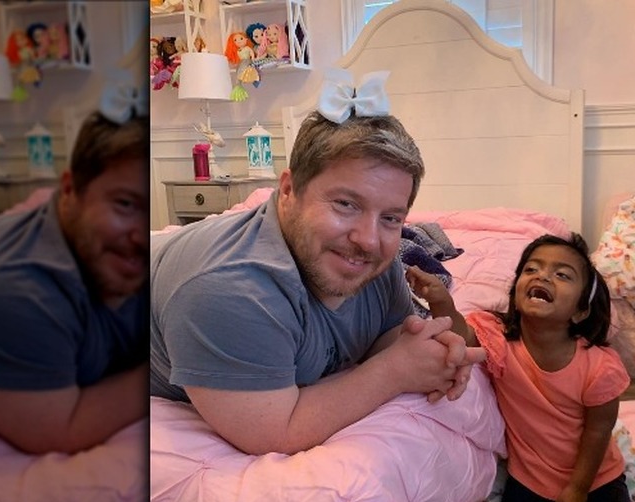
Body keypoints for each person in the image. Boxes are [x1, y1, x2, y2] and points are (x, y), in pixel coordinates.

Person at [149, 105, 485, 456]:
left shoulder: (379, 261)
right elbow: (273, 432)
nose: (369, 240)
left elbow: (393, 337)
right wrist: (394, 371)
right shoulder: (228, 289)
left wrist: (436, 355)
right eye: (345, 204)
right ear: (288, 190)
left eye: (390, 217)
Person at [0, 107, 150, 454]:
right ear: (69, 190)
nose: (141, 235)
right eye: (125, 204)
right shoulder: (10, 291)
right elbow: (57, 430)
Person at [408, 233, 631, 502]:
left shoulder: (600, 366)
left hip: (596, 480)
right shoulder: (498, 341)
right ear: (516, 292)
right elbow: (460, 335)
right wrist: (441, 299)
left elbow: (598, 431)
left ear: (581, 311)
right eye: (531, 269)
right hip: (532, 478)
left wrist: (579, 489)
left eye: (562, 274)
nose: (542, 276)